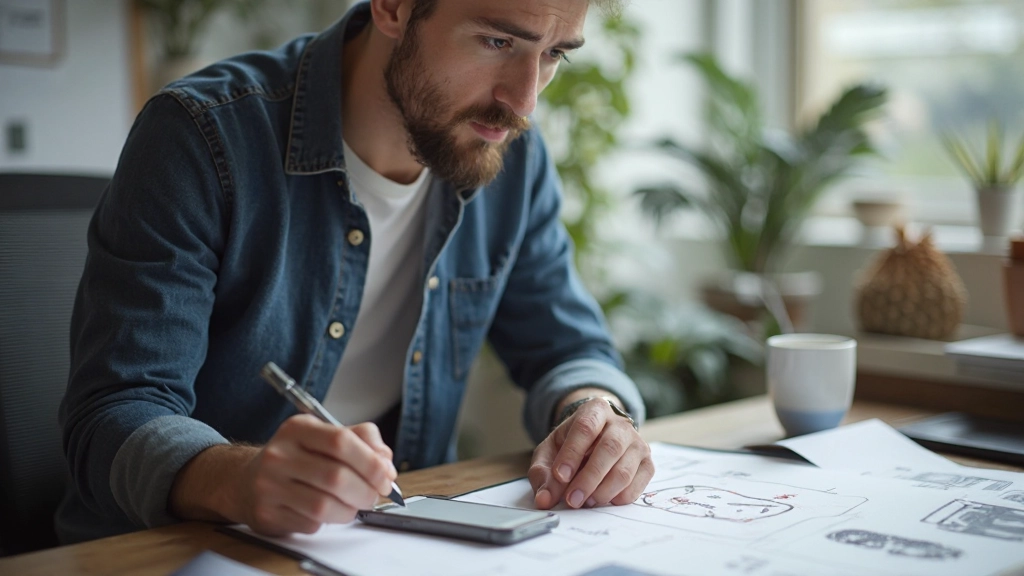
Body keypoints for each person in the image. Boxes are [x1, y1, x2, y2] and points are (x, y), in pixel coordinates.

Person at [57, 0, 654, 543]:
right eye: (497, 43)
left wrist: (596, 413)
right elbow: (114, 414)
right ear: (393, 8)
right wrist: (238, 480)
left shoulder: (510, 156)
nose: (524, 101)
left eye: (552, 54)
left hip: (386, 545)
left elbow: (567, 348)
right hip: (177, 549)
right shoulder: (202, 135)